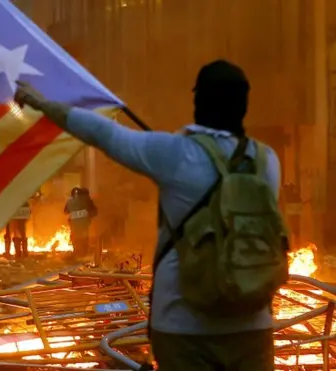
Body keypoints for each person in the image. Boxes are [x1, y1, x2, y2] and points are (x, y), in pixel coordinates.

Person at [14, 60, 280, 371]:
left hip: (184, 328)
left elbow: (103, 133)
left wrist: (43, 103)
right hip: (253, 325)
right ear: (244, 106)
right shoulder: (267, 162)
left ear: (198, 101)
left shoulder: (174, 153)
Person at [64, 187, 97, 257]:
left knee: (75, 237)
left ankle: (76, 251)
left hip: (73, 224)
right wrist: (89, 215)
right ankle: (83, 253)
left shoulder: (70, 200)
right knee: (84, 238)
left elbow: (65, 211)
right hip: (84, 224)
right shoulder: (87, 200)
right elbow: (94, 211)